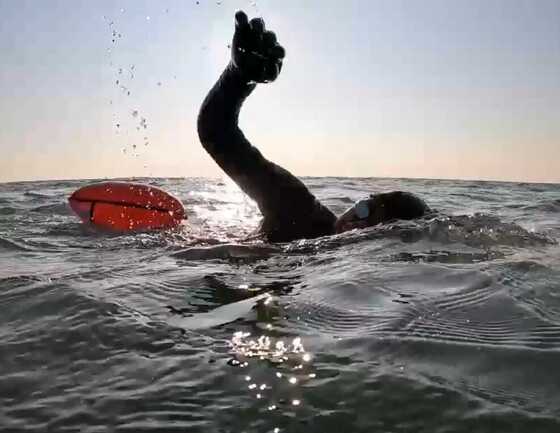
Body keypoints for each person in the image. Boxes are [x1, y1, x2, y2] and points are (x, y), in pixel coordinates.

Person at [198, 11, 429, 243]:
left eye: (371, 227)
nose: (355, 223)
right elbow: (217, 132)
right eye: (363, 209)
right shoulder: (298, 209)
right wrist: (237, 78)